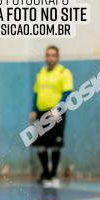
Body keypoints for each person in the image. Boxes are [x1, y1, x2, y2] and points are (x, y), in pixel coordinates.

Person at [30, 45, 73, 187]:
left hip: (56, 113)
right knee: (41, 146)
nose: (50, 58)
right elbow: (36, 92)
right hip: (41, 112)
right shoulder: (41, 72)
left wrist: (58, 108)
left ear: (58, 57)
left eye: (53, 55)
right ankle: (46, 173)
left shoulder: (64, 72)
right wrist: (33, 109)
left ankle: (53, 175)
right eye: (48, 55)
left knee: (55, 145)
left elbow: (67, 92)